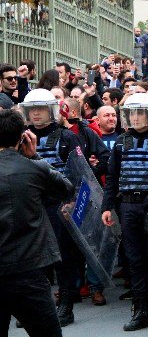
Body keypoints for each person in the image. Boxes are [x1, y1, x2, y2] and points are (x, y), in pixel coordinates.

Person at [101, 92, 148, 332]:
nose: (134, 118)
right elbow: (112, 176)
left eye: (138, 113)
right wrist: (107, 206)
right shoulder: (122, 142)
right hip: (127, 206)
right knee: (135, 261)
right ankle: (141, 312)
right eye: (131, 113)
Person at [0, 110, 74, 337]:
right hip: (28, 268)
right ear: (22, 137)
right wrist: (35, 157)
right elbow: (66, 189)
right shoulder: (33, 168)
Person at [19, 88, 82, 326]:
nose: (35, 114)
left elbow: (78, 172)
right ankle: (37, 308)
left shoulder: (67, 137)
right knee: (34, 257)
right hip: (31, 204)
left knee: (64, 256)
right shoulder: (20, 137)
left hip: (59, 204)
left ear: (51, 110)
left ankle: (66, 305)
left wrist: (72, 201)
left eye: (40, 109)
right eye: (31, 109)